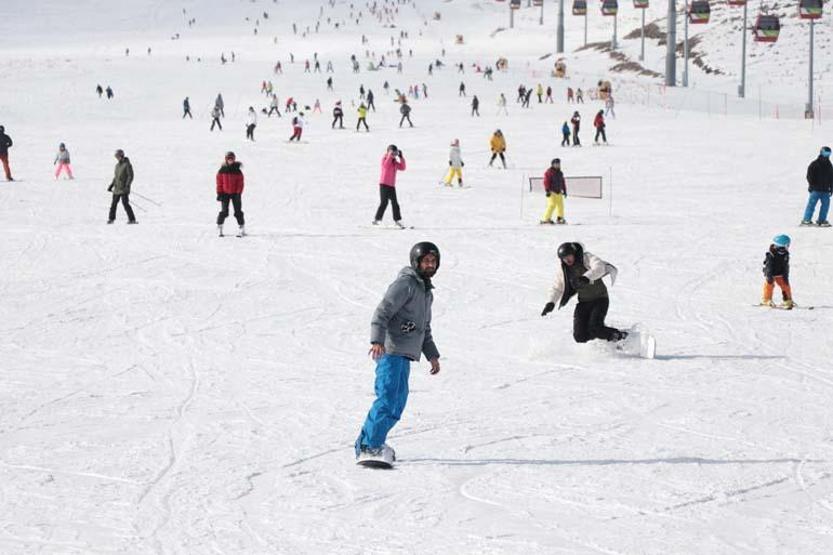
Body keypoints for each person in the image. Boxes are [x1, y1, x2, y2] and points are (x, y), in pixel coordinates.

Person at [354, 242, 442, 464]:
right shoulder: (406, 284)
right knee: (388, 399)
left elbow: (425, 329)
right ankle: (370, 446)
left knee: (396, 403)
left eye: (433, 261)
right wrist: (376, 340)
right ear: (416, 262)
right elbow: (383, 311)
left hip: (405, 355)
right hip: (390, 351)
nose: (430, 265)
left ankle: (368, 443)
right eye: (426, 261)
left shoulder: (426, 293)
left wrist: (432, 355)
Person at [541, 242, 627, 343]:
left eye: (569, 256)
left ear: (574, 254)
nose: (567, 260)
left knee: (595, 328)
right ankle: (606, 339)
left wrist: (586, 277)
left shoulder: (586, 258)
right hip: (583, 303)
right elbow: (557, 287)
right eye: (564, 258)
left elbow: (599, 267)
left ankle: (622, 337)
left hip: (600, 299)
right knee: (580, 336)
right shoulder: (564, 270)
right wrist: (551, 302)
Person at [373, 144, 406, 227]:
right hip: (384, 184)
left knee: (395, 203)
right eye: (392, 152)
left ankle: (397, 220)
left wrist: (401, 157)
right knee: (384, 202)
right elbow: (386, 166)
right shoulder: (385, 159)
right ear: (388, 152)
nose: (394, 155)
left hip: (391, 185)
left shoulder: (394, 162)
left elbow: (403, 168)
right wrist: (390, 156)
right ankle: (377, 219)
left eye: (395, 153)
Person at [215, 151, 245, 237]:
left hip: (235, 194)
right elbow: (219, 182)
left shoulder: (237, 171)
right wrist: (219, 193)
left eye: (232, 159)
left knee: (238, 211)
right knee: (224, 212)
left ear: (234, 159)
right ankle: (219, 227)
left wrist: (238, 192)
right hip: (225, 193)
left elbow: (241, 183)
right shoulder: (222, 170)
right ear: (226, 159)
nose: (230, 160)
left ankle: (241, 228)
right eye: (229, 159)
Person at [802, 146, 833, 226]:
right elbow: (809, 176)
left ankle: (821, 220)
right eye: (825, 153)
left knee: (825, 206)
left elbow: (831, 178)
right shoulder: (815, 164)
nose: (827, 155)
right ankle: (806, 220)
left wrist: (831, 188)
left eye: (829, 153)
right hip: (816, 190)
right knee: (811, 205)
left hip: (825, 190)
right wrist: (812, 185)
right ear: (821, 152)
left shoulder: (829, 165)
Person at [761, 234, 793, 308]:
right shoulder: (771, 255)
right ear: (782, 246)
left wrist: (785, 275)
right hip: (771, 274)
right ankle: (766, 299)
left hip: (780, 273)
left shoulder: (785, 254)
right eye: (787, 245)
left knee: (785, 286)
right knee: (769, 286)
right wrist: (769, 276)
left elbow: (785, 265)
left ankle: (787, 300)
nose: (788, 247)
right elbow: (768, 267)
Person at [107, 149, 136, 224]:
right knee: (113, 204)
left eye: (117, 156)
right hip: (117, 188)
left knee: (125, 203)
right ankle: (111, 219)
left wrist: (127, 185)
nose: (117, 158)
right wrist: (111, 185)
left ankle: (132, 219)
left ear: (121, 156)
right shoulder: (117, 166)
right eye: (116, 157)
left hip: (124, 189)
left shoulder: (127, 165)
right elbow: (116, 177)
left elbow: (130, 176)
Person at [540, 158, 566, 224]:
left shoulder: (560, 173)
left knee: (561, 205)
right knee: (552, 204)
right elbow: (546, 181)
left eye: (559, 164)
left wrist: (564, 190)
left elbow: (562, 182)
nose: (558, 165)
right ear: (553, 164)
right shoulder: (549, 172)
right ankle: (546, 219)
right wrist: (547, 190)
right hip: (552, 191)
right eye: (556, 164)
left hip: (559, 191)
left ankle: (560, 218)